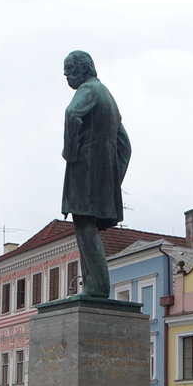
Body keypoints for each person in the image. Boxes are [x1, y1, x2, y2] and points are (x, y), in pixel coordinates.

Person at [61, 50, 131, 298]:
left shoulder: (88, 90)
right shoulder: (109, 98)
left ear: (82, 68)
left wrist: (69, 153)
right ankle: (92, 284)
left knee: (84, 224)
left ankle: (97, 286)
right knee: (85, 225)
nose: (66, 75)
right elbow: (125, 145)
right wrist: (114, 179)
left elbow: (71, 114)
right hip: (102, 178)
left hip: (84, 171)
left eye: (69, 69)